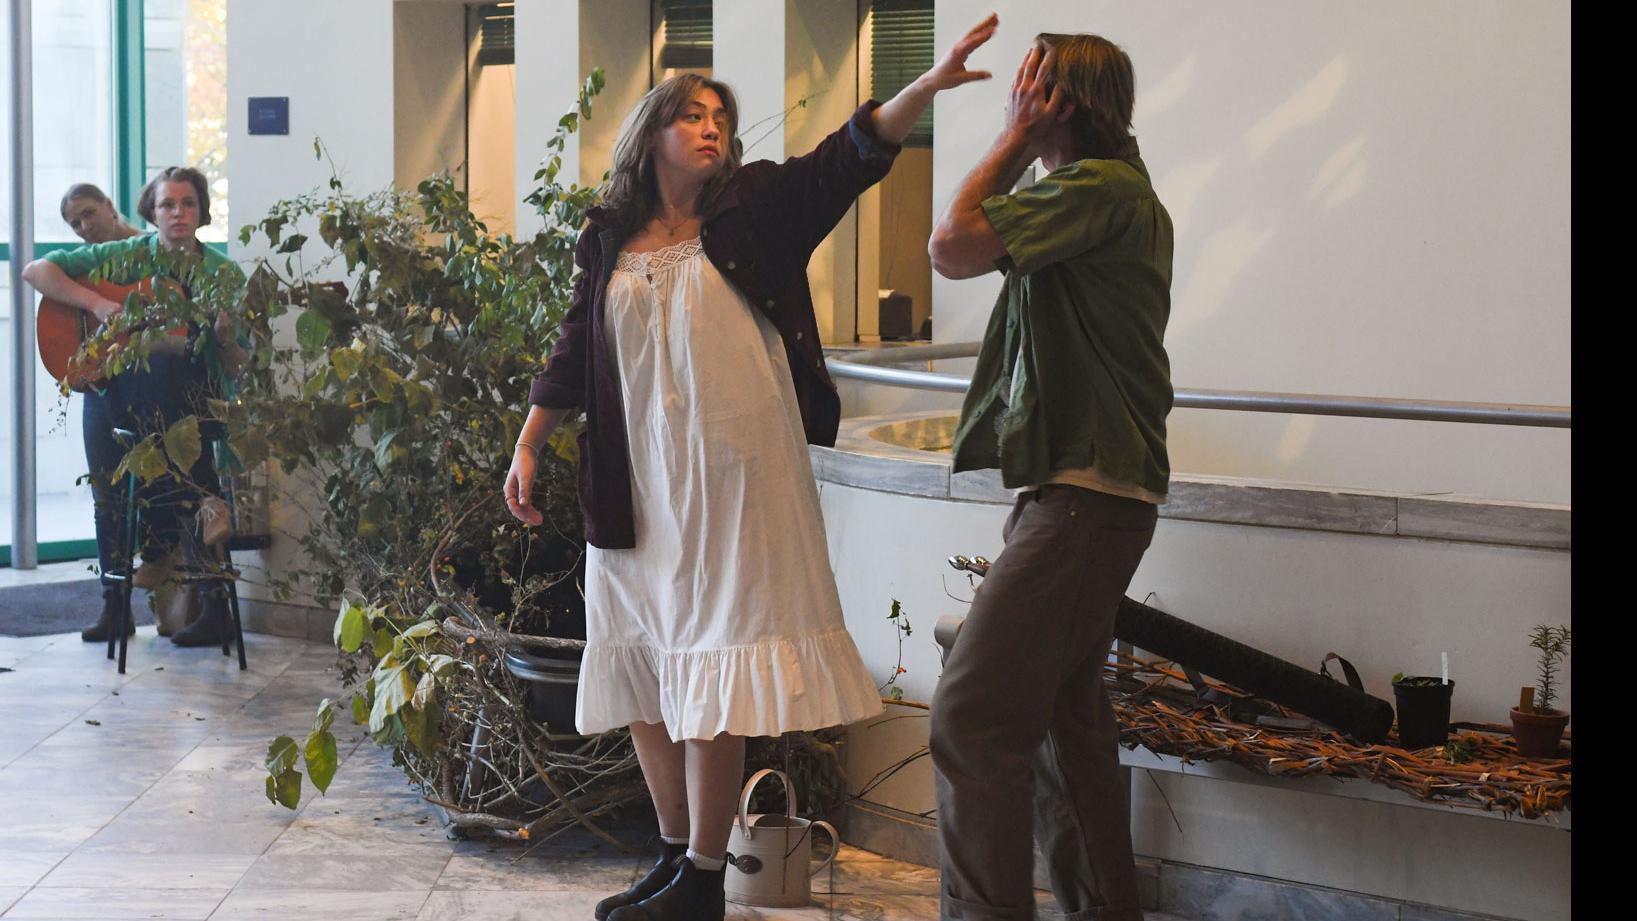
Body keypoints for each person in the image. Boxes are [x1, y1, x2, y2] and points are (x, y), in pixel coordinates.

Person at [502, 16, 999, 920]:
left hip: (732, 481)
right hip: (632, 482)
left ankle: (702, 873)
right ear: (653, 132)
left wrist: (923, 88)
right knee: (646, 674)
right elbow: (577, 346)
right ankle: (669, 856)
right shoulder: (608, 234)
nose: (711, 127)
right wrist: (530, 440)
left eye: (720, 117)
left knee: (708, 672)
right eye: (691, 114)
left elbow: (850, 155)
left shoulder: (756, 207)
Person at [925, 32, 1174, 921]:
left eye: (1030, 87)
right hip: (1086, 496)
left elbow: (949, 244)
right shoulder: (1094, 195)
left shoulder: (1094, 190)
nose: (1014, 98)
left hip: (1084, 499)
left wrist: (1010, 139)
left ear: (1055, 102)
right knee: (1065, 734)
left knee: (971, 717)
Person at [23, 166, 248, 647]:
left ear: (202, 211)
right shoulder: (131, 257)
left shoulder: (222, 275)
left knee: (164, 379)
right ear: (152, 212)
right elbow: (35, 271)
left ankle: (191, 577)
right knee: (107, 494)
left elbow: (237, 364)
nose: (179, 213)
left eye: (189, 204)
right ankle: (117, 606)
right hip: (113, 395)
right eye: (168, 205)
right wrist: (98, 306)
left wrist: (225, 337)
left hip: (190, 402)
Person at [59, 182, 141, 245]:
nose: (86, 227)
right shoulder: (87, 262)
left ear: (110, 206)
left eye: (89, 213)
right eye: (76, 224)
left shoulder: (149, 245)